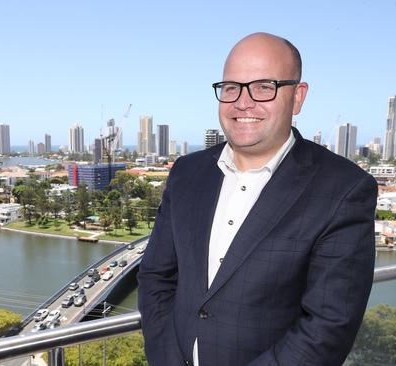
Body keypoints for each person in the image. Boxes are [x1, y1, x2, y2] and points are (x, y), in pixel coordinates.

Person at [137, 32, 377, 365]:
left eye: (264, 86)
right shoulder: (187, 173)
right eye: (231, 87)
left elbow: (328, 326)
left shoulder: (343, 189)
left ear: (297, 97)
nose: (243, 102)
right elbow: (155, 277)